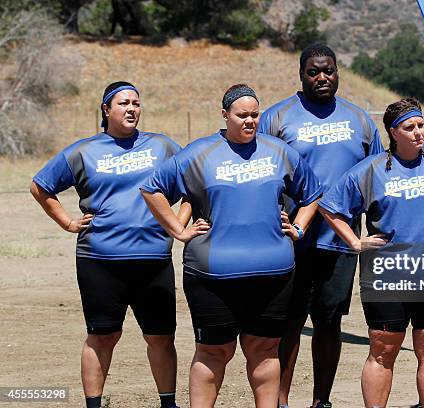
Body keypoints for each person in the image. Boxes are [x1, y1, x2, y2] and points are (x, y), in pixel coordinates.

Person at [140, 84, 322, 408]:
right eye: (242, 115)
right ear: (225, 115)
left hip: (274, 274)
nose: (249, 121)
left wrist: (298, 227)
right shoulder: (200, 153)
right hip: (212, 277)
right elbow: (152, 189)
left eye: (255, 115)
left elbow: (312, 193)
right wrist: (178, 232)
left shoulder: (279, 151)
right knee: (213, 352)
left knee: (265, 351)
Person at [318, 97, 424, 408]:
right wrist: (356, 243)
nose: (418, 132)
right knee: (383, 351)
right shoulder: (371, 170)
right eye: (409, 127)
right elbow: (329, 207)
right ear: (393, 132)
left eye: (421, 125)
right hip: (387, 278)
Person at [30, 81, 186, 408]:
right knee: (103, 336)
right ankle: (93, 405)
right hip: (100, 260)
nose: (131, 109)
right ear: (106, 109)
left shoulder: (162, 146)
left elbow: (194, 185)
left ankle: (168, 403)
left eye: (136, 103)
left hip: (153, 259)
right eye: (123, 103)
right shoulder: (83, 151)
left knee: (160, 336)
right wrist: (69, 222)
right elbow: (41, 187)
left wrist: (178, 225)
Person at [258, 43, 384, 408]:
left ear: (337, 71)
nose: (322, 77)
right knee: (290, 321)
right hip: (290, 240)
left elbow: (376, 178)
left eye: (328, 70)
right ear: (301, 75)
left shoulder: (359, 120)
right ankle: (279, 400)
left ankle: (321, 401)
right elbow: (260, 170)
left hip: (340, 241)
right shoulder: (277, 117)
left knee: (329, 322)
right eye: (314, 71)